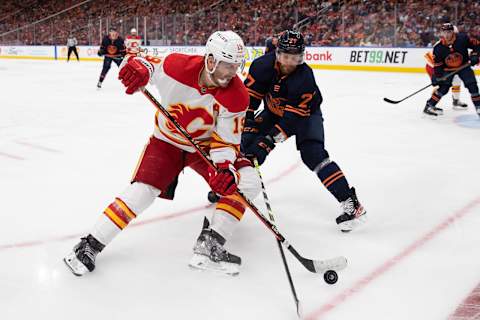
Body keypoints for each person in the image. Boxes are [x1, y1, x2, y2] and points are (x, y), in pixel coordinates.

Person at [64, 30, 261, 277]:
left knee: (246, 181)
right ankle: (89, 244)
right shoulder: (177, 66)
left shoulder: (237, 95)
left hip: (205, 148)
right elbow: (142, 63)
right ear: (210, 60)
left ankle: (211, 242)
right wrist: (141, 70)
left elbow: (226, 140)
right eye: (226, 66)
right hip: (166, 142)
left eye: (236, 66)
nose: (232, 72)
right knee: (142, 192)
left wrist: (224, 167)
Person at [241, 30, 366, 232]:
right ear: (276, 53)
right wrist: (247, 124)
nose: (289, 63)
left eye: (295, 58)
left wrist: (267, 142)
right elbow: (249, 99)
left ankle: (351, 203)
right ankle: (234, 188)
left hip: (306, 115)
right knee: (245, 144)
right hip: (274, 111)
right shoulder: (261, 66)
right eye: (285, 57)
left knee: (313, 155)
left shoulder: (305, 77)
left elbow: (292, 120)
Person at [423, 23, 480, 117]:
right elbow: (437, 65)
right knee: (443, 88)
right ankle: (429, 105)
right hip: (446, 69)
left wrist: (475, 55)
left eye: (449, 32)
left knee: (472, 84)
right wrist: (436, 76)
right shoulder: (438, 47)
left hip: (463, 67)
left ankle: (478, 107)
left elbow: (477, 45)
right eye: (444, 32)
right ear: (442, 33)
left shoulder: (462, 38)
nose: (447, 34)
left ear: (453, 32)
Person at [424, 25, 468, 110]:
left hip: (444, 67)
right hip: (432, 67)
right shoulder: (441, 45)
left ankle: (456, 101)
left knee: (457, 81)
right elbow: (435, 62)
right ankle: (431, 105)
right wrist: (436, 76)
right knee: (441, 86)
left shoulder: (456, 43)